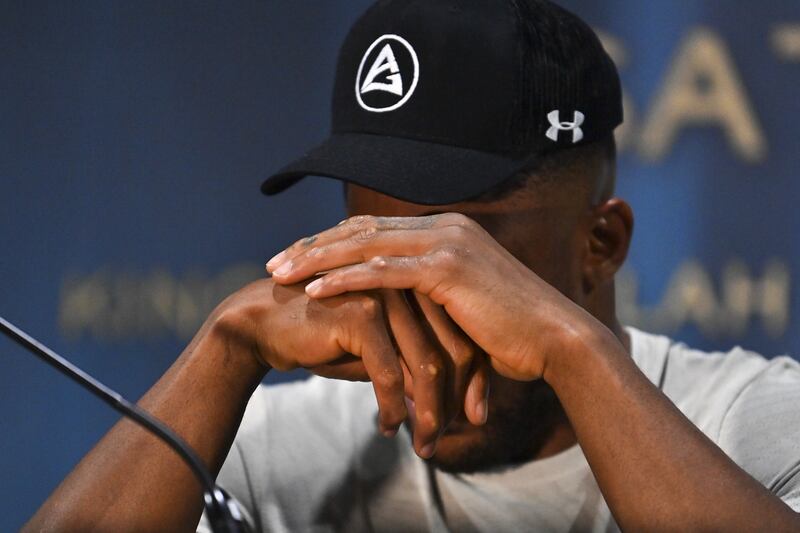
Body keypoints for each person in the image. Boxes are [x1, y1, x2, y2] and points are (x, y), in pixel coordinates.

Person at [25, 1, 800, 532]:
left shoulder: (746, 421)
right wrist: (223, 350)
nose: (409, 307)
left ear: (601, 243)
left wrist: (572, 352)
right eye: (369, 250)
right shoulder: (272, 447)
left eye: (462, 264)